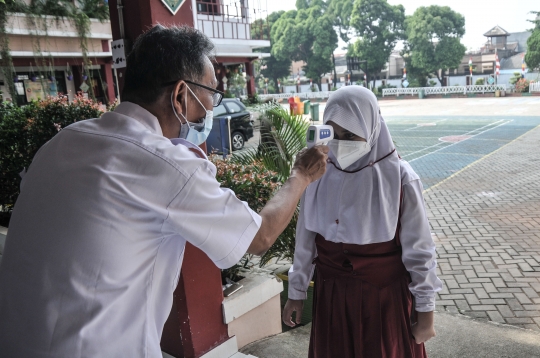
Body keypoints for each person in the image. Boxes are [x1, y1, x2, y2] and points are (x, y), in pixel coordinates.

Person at [0, 25, 328, 357]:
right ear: (181, 95)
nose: (211, 110)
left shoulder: (63, 141)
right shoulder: (166, 165)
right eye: (211, 95)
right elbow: (260, 237)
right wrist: (301, 174)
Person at [282, 86, 443, 358]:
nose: (341, 143)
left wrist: (425, 312)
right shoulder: (317, 172)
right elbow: (306, 239)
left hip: (383, 301)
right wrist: (296, 291)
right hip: (332, 297)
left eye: (350, 134)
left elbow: (419, 250)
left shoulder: (400, 178)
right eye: (334, 133)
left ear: (371, 128)